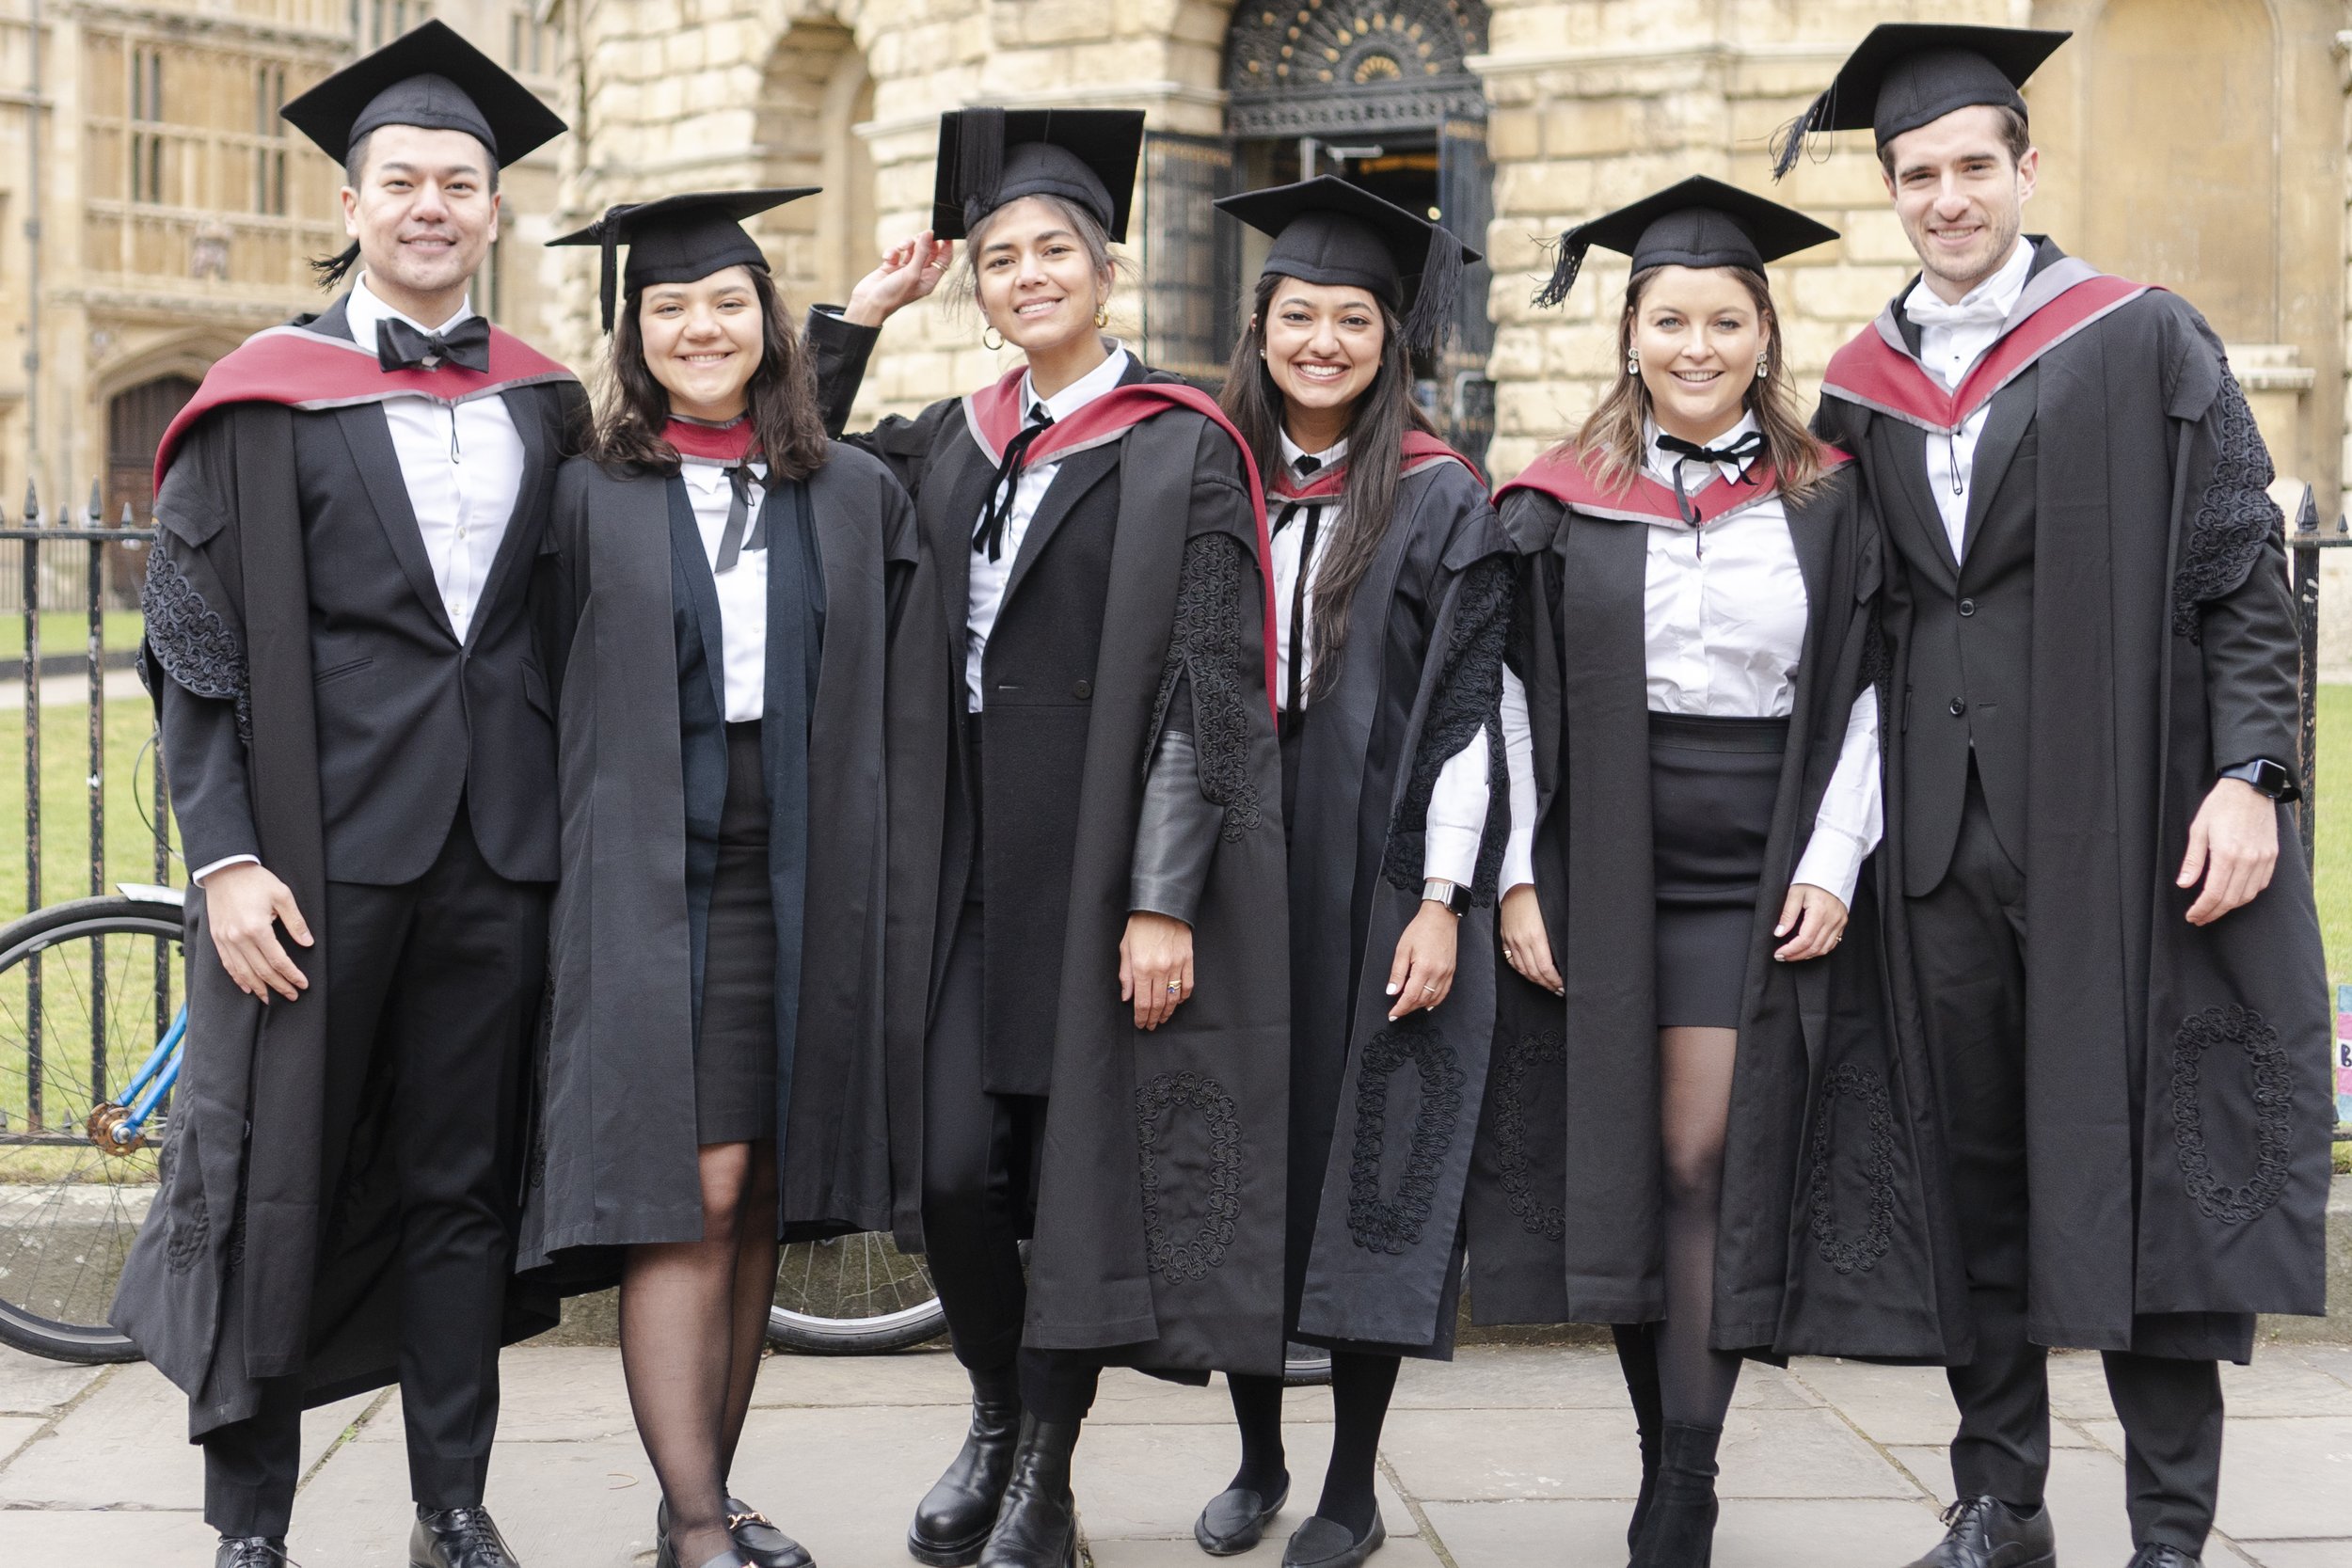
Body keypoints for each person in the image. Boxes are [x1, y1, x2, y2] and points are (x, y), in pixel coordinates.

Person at [1782, 25, 2336, 1568]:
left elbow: (2242, 570)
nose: (1948, 198)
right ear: (1891, 189)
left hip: (2120, 826)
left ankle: (2170, 1528)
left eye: (1974, 167)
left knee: (2140, 1155)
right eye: (1919, 175)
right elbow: (1857, 622)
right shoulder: (1863, 389)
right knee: (1973, 1167)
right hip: (1938, 841)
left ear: (2027, 168)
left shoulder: (2144, 335)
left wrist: (2252, 773)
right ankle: (1999, 1500)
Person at [109, 22, 580, 1568]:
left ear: (495, 210)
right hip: (313, 855)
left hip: (500, 849)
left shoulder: (544, 401)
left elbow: (687, 496)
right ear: (357, 202)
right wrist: (225, 856)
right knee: (276, 1177)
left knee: (461, 1183)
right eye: (403, 181)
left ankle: (453, 1502)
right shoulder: (259, 398)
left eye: (461, 181)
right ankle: (252, 1520)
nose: (432, 204)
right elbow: (193, 650)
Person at [806, 108, 1292, 1568]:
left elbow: (1217, 680)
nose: (1027, 276)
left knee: (1075, 1177)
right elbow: (798, 459)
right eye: (1000, 258)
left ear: (1107, 267)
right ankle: (995, 1415)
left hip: (1098, 861)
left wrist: (1163, 900)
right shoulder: (953, 441)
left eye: (1053, 253)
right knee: (955, 1169)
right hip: (962, 860)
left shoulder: (1185, 446)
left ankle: (1049, 1477)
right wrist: (860, 316)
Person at [1473, 178, 1956, 1566]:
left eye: (1725, 320)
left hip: (1761, 858)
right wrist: (1514, 877)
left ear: (1764, 336)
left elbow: (1874, 689)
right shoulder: (1562, 497)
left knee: (1700, 1160)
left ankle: (1684, 1477)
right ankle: (1661, 1450)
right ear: (1631, 331)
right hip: (1607, 855)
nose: (1697, 345)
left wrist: (1834, 859)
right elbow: (1506, 700)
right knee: (1631, 1170)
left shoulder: (1826, 498)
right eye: (1671, 318)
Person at [515, 189, 916, 1568]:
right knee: (684, 1181)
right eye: (671, 308)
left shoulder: (846, 490)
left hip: (789, 859)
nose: (702, 327)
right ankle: (697, 1522)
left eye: (727, 304)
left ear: (769, 324)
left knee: (749, 1183)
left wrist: (861, 316)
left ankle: (709, 1490)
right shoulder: (584, 494)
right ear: (634, 335)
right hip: (639, 866)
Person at [1181, 176, 1507, 1568]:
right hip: (1231, 849)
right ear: (1259, 328)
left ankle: (1353, 1483)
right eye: (1298, 314)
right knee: (1246, 1147)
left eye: (1353, 318)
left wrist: (1441, 900)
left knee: (1365, 1156)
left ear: (1393, 337)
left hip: (1373, 860)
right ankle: (1257, 1458)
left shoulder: (1440, 495)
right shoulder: (1207, 472)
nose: (1323, 340)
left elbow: (1474, 714)